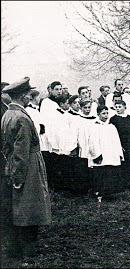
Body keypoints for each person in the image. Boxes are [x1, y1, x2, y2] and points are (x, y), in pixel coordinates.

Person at [1, 77, 51, 259]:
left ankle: (17, 248)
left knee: (20, 208)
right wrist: (18, 177)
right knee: (30, 209)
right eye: (28, 95)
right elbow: (21, 152)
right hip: (28, 167)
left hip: (16, 165)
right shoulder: (21, 117)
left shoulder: (8, 114)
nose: (30, 98)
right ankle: (28, 251)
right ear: (22, 96)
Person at [89, 105, 125, 197]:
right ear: (98, 114)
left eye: (107, 113)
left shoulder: (111, 126)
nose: (106, 115)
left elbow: (117, 141)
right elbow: (93, 142)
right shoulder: (94, 127)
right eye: (103, 113)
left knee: (111, 172)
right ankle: (99, 193)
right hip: (101, 154)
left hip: (111, 154)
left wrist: (119, 153)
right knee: (101, 174)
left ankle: (109, 193)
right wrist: (96, 155)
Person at [109, 100, 130, 185]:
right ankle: (121, 181)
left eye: (120, 107)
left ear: (125, 107)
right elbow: (112, 133)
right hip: (119, 142)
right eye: (116, 107)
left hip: (129, 142)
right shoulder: (113, 119)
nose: (117, 109)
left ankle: (129, 179)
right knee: (122, 161)